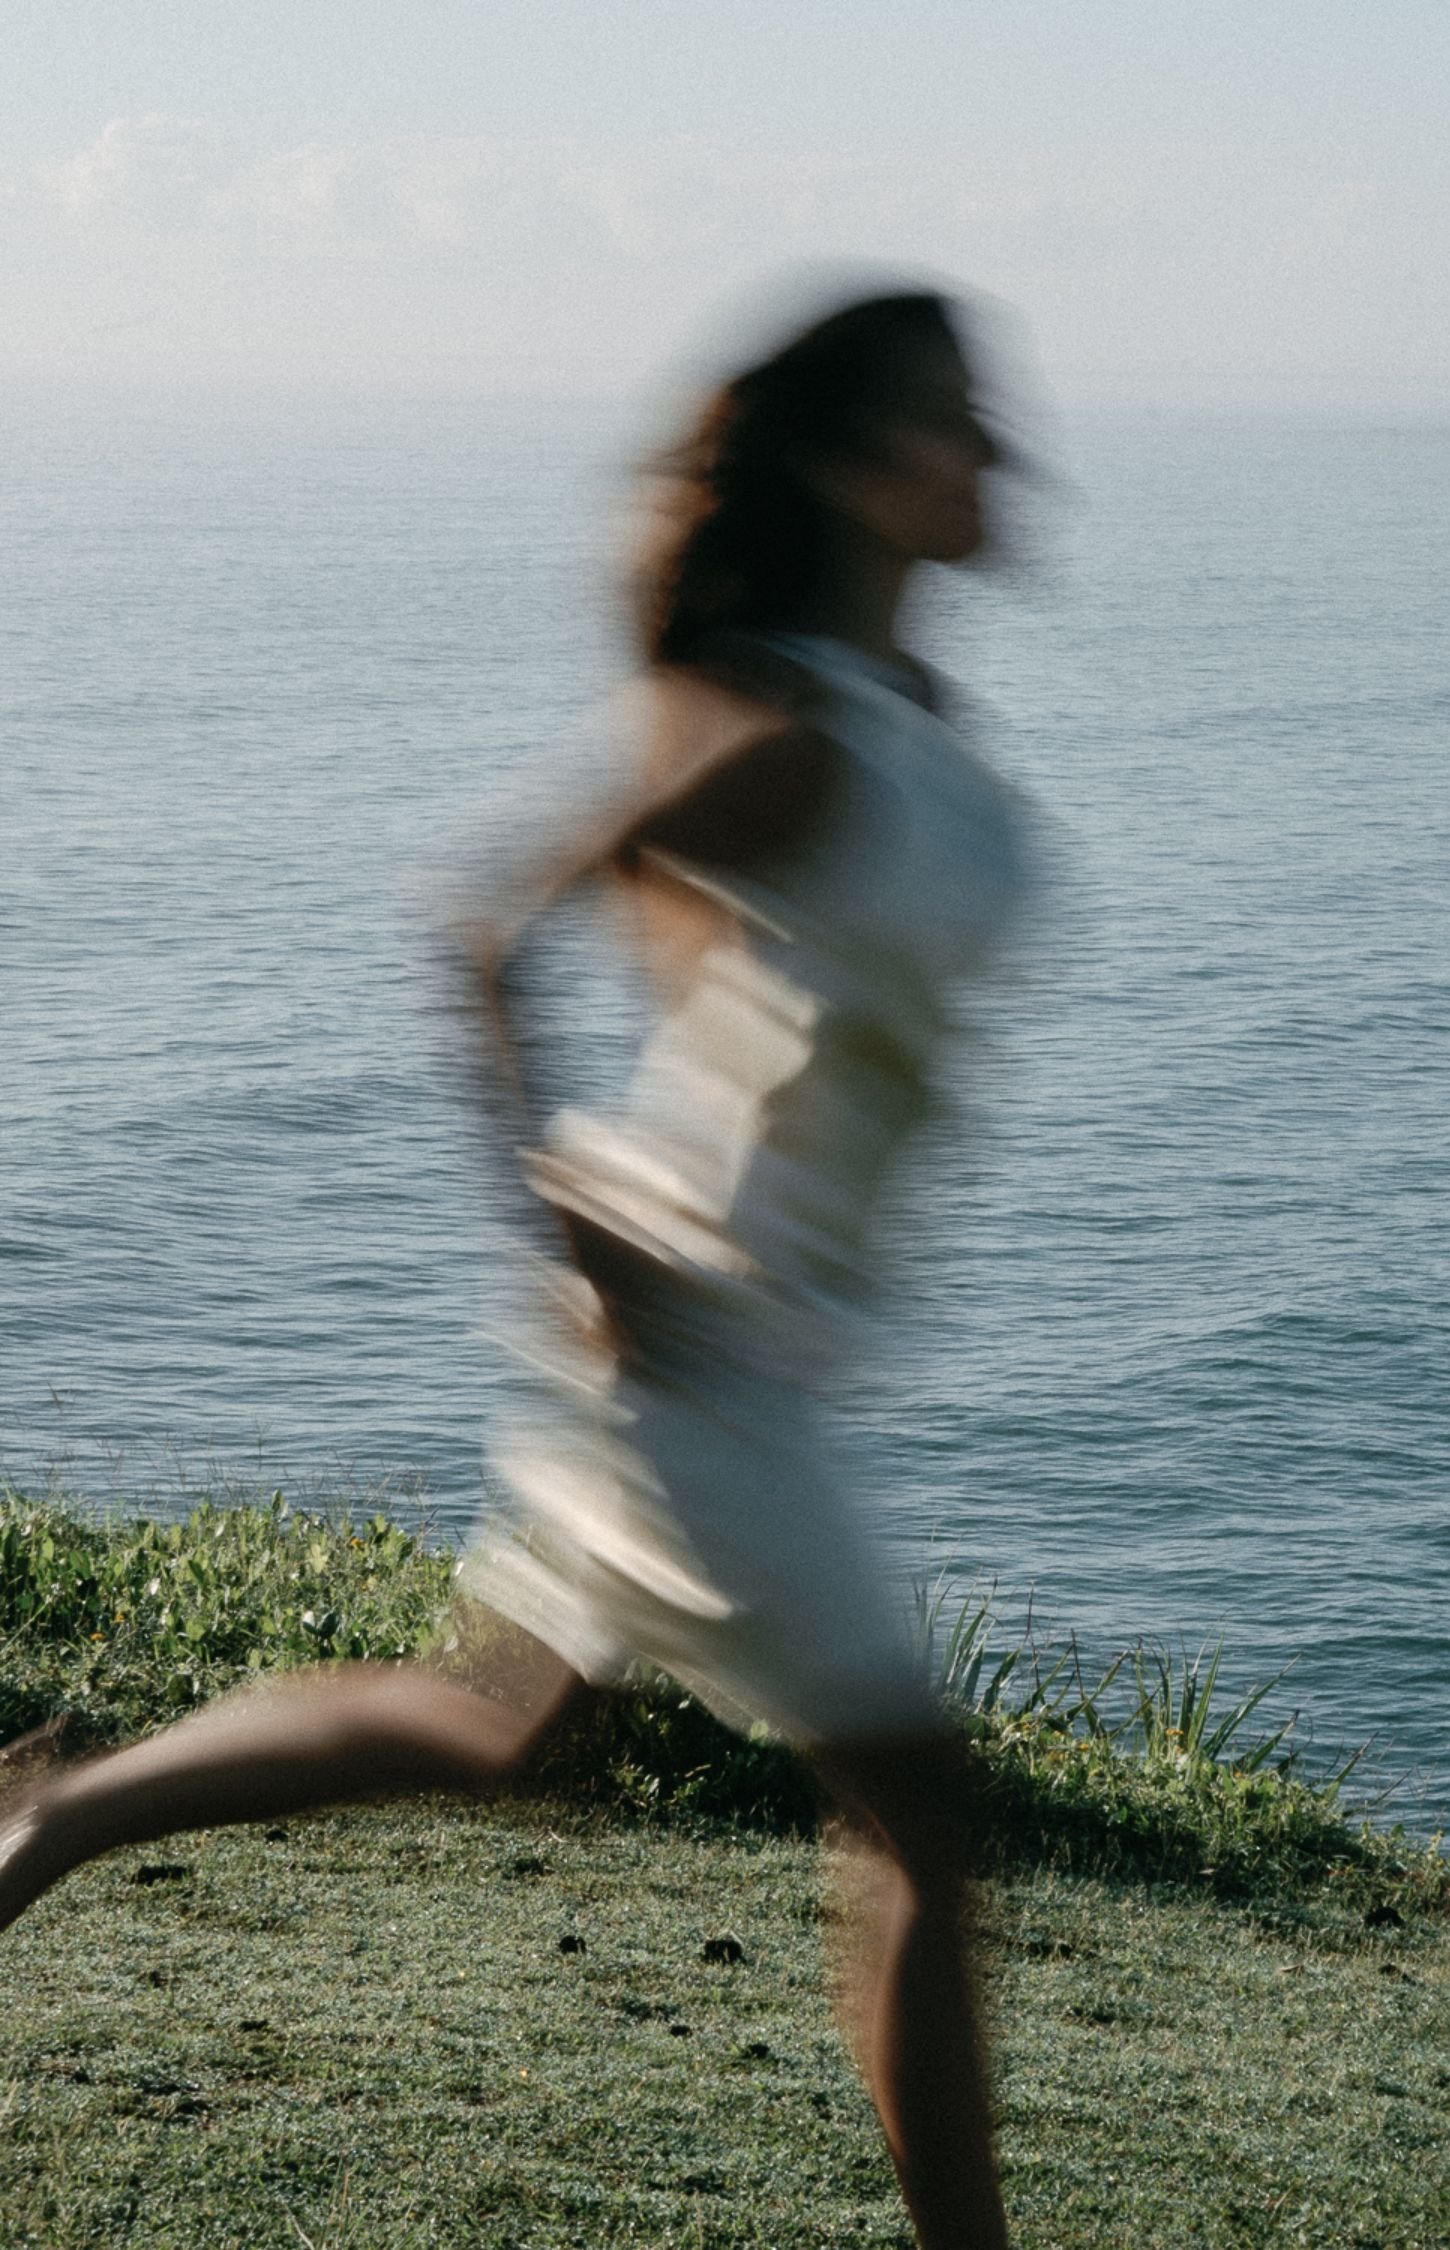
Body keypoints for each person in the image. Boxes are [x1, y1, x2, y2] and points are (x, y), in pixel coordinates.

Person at [1, 288, 1030, 2250]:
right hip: (692, 1356)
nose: (1001, 460)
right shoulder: (790, 730)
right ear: (845, 466)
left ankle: (55, 1803)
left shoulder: (899, 715)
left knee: (509, 1723)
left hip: (767, 1343)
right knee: (917, 1805)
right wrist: (561, 1200)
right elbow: (482, 924)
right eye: (953, 423)